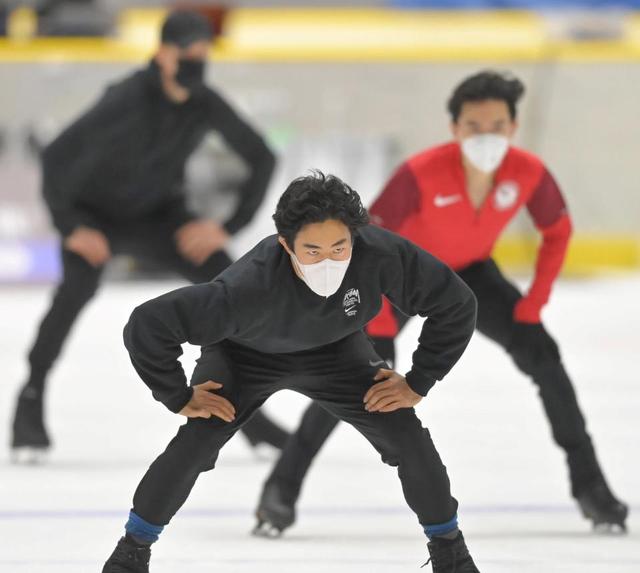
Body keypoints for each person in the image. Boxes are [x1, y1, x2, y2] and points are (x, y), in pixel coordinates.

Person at [254, 71, 629, 535]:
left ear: (513, 127)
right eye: (474, 126)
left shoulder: (529, 172)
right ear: (455, 129)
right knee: (355, 381)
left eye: (497, 126)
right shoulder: (420, 173)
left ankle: (592, 487)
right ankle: (280, 490)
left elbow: (558, 230)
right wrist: (383, 319)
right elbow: (367, 240)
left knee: (545, 358)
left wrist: (535, 302)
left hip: (471, 273)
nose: (486, 136)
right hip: (400, 280)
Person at [102, 172, 480, 573]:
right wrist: (177, 395)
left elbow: (456, 304)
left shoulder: (379, 253)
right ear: (286, 245)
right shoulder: (245, 291)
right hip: (243, 355)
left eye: (340, 247)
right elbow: (148, 324)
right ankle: (132, 552)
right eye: (312, 252)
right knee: (198, 440)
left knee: (406, 434)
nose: (329, 261)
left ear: (355, 237)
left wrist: (419, 381)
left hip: (337, 351)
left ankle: (450, 553)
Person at [10, 9, 288, 461]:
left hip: (161, 218)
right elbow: (57, 156)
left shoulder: (204, 102)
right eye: (188, 54)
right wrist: (72, 225)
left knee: (231, 282)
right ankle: (30, 401)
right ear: (162, 54)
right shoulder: (125, 98)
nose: (196, 63)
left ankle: (245, 414)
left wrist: (224, 226)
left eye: (203, 54)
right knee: (74, 292)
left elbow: (261, 156)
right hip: (97, 218)